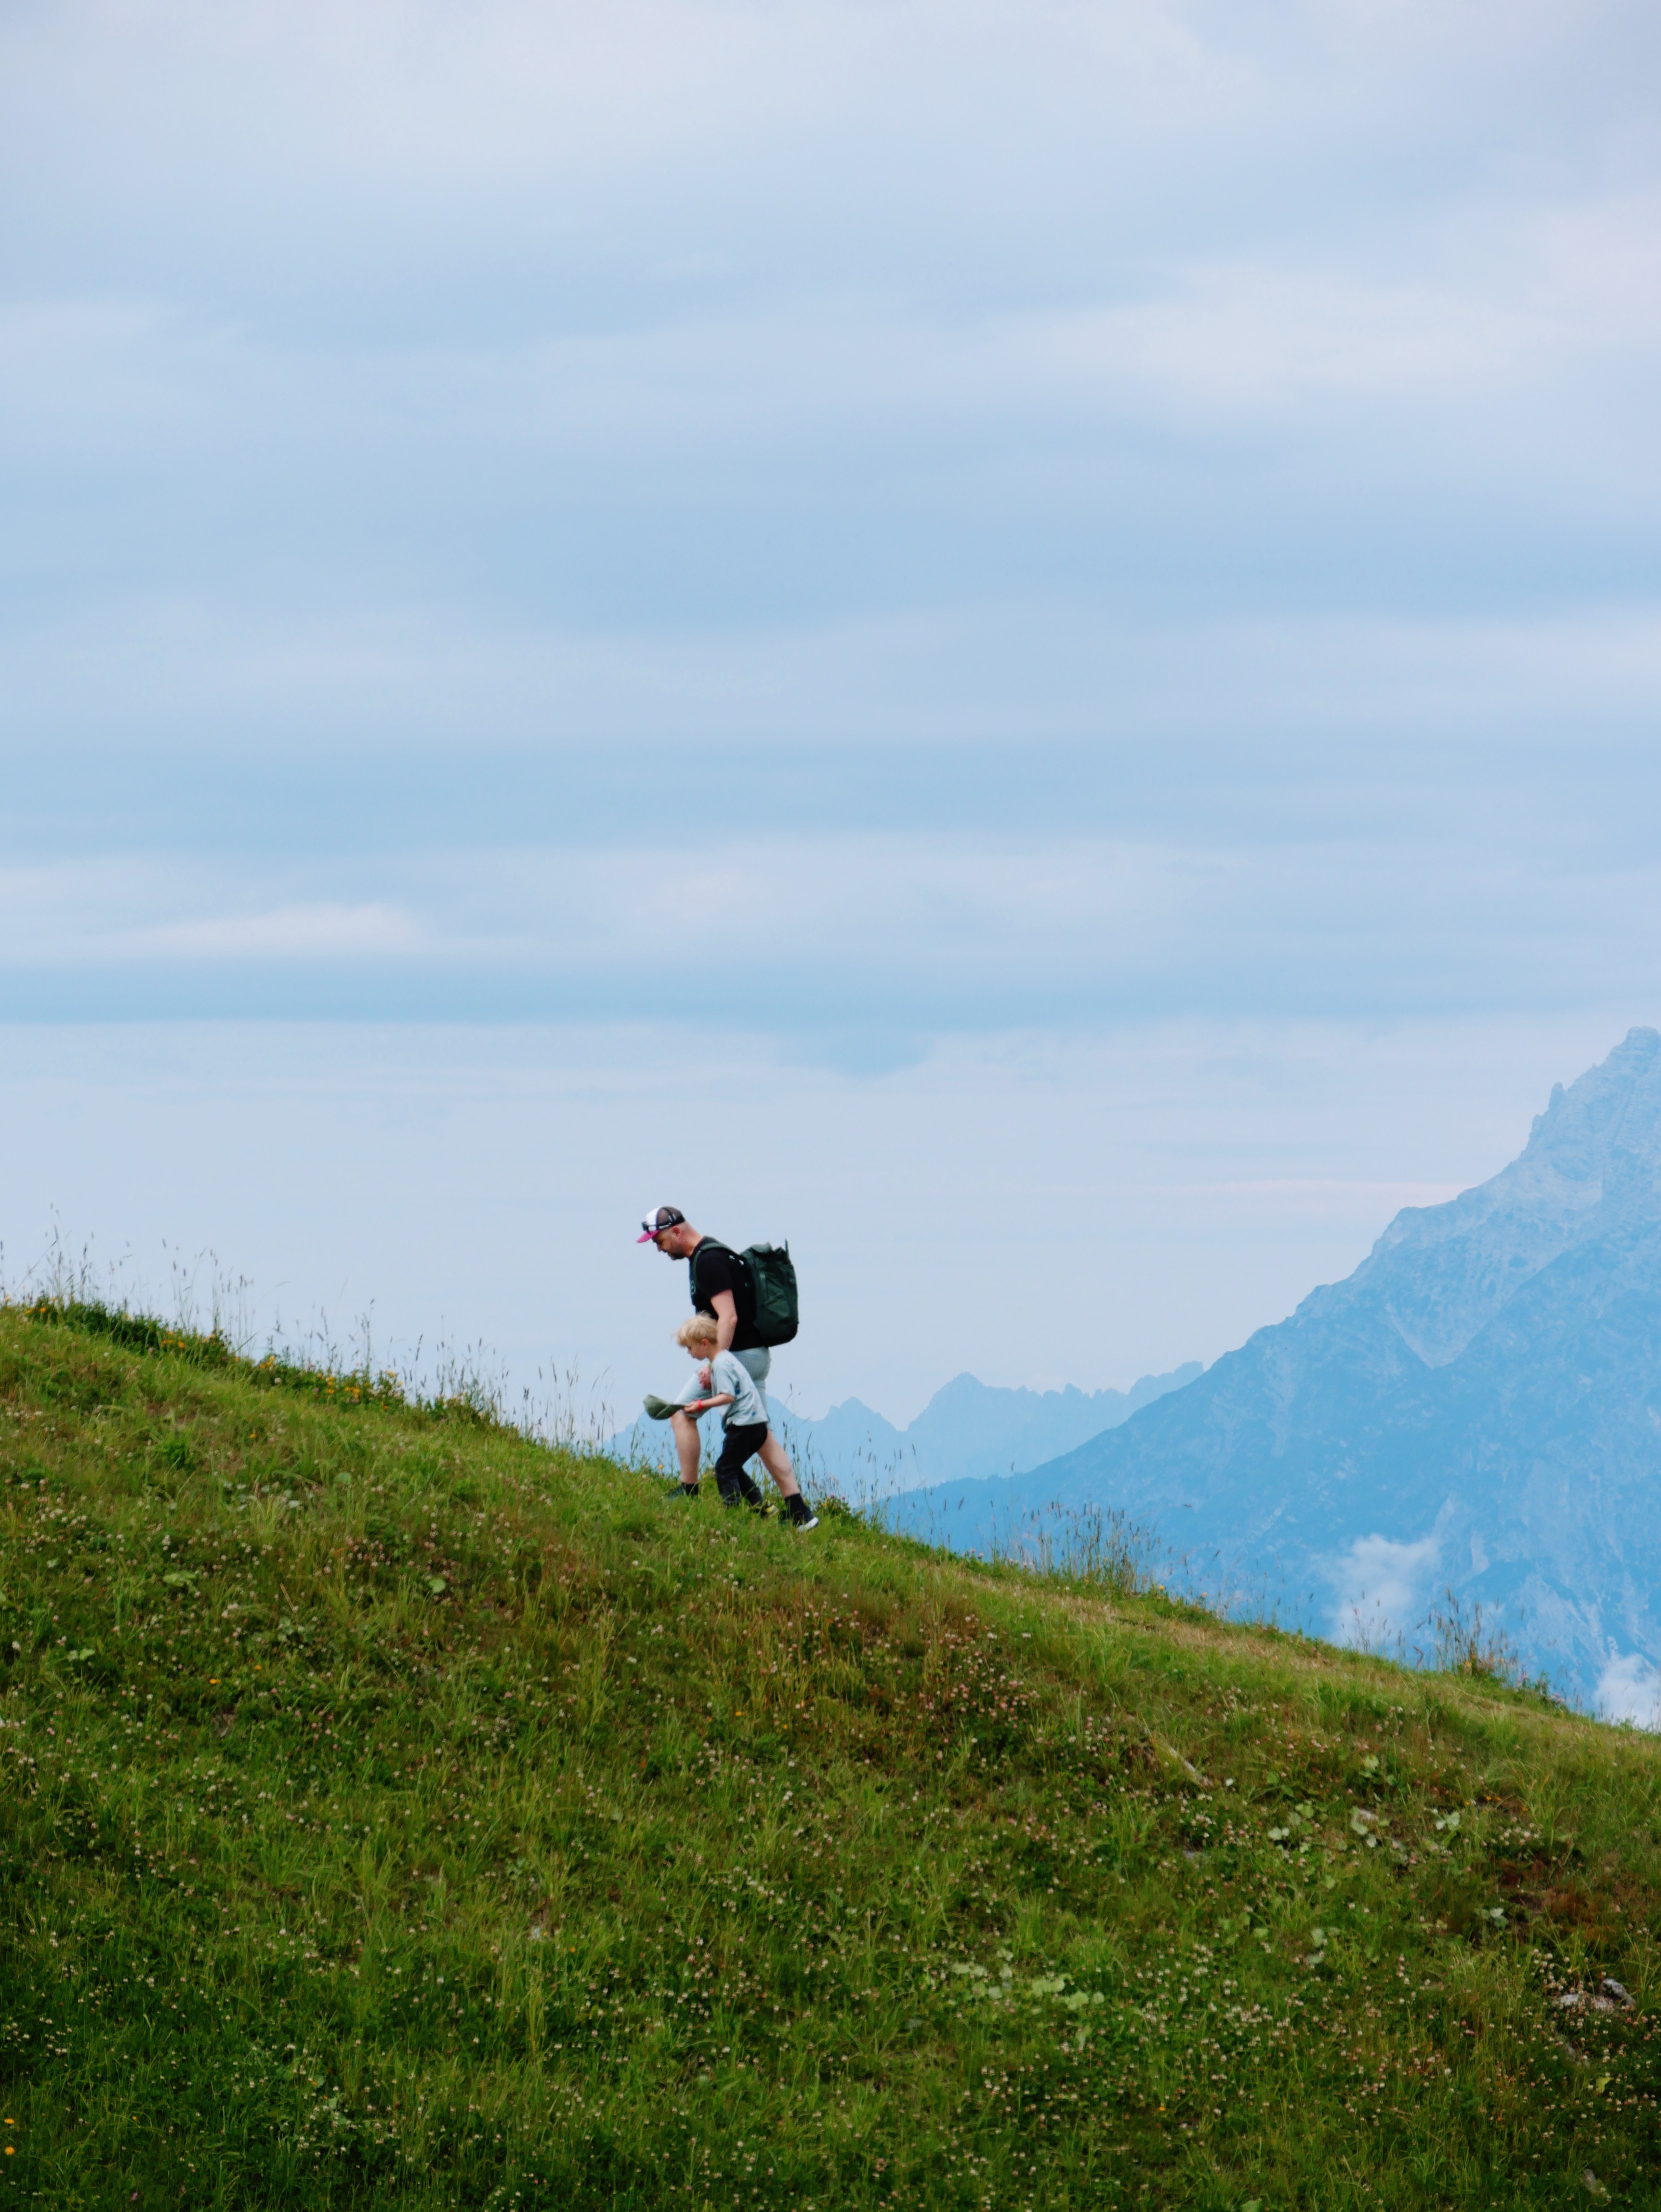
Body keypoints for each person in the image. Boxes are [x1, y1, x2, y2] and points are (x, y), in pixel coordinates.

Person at [638, 1204, 817, 1525]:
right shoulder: (715, 1253)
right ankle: (798, 1510)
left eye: (660, 1241)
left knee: (681, 1413)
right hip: (755, 1355)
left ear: (676, 1231)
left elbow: (729, 1316)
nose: (659, 1249)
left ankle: (689, 1491)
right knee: (759, 1434)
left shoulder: (708, 1261)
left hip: (737, 1357)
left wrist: (716, 1360)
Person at [668, 1315, 817, 1526]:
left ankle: (733, 1513)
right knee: (733, 1465)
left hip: (744, 1427)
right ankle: (760, 1505)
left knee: (724, 1469)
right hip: (756, 1425)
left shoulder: (720, 1365)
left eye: (690, 1348)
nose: (689, 1354)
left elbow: (728, 1396)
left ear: (704, 1343)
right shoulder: (728, 1359)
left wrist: (700, 1405)